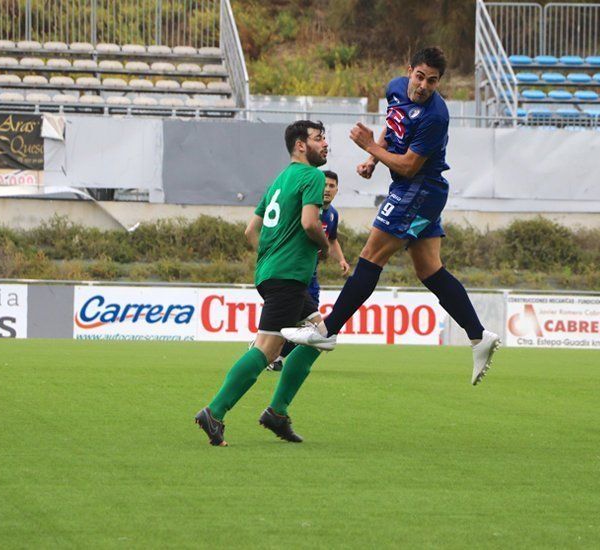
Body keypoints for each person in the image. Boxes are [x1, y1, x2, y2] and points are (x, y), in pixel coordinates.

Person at [282, 47, 501, 385]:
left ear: (438, 82)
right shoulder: (396, 88)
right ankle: (478, 336)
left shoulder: (435, 116)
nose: (424, 85)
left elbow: (409, 166)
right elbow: (393, 126)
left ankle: (327, 330)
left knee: (371, 256)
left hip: (418, 188)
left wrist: (371, 148)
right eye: (419, 76)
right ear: (408, 69)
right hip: (416, 190)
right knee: (429, 269)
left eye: (432, 81)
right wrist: (374, 159)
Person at [194, 120, 333, 447]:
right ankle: (214, 412)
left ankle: (278, 413)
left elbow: (250, 231)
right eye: (319, 138)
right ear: (301, 145)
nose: (325, 144)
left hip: (277, 274)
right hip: (287, 277)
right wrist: (324, 247)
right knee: (267, 348)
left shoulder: (278, 181)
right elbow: (310, 223)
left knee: (322, 335)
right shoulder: (312, 176)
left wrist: (271, 255)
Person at [267, 170, 350, 372]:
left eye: (331, 186)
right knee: (307, 324)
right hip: (293, 274)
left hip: (310, 278)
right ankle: (268, 351)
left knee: (307, 325)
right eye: (324, 185)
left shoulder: (332, 214)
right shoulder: (308, 210)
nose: (327, 190)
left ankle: (273, 354)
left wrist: (341, 260)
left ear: (337, 190)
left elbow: (331, 240)